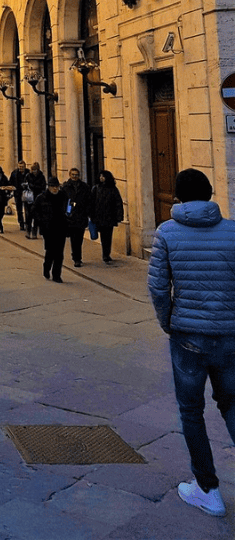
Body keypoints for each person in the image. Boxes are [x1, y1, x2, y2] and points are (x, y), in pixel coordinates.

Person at [147, 168, 235, 518]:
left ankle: (208, 491)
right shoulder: (232, 231)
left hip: (187, 337)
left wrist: (168, 321)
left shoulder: (167, 232)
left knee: (191, 411)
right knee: (232, 403)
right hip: (229, 335)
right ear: (211, 193)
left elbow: (157, 287)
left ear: (178, 197)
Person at [33, 176, 67, 282]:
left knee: (59, 254)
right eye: (53, 186)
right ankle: (46, 267)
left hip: (61, 228)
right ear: (49, 187)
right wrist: (40, 223)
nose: (55, 189)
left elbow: (70, 206)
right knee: (50, 251)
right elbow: (35, 212)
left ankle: (56, 275)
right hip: (48, 229)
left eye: (57, 186)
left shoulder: (63, 196)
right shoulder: (41, 198)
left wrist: (69, 215)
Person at [89, 170, 124, 263]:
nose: (101, 178)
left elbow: (118, 203)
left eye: (103, 176)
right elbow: (91, 202)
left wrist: (119, 216)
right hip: (99, 216)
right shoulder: (96, 188)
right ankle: (105, 254)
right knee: (103, 236)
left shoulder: (113, 189)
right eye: (100, 176)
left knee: (108, 236)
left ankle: (106, 254)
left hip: (109, 217)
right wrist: (91, 215)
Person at [62, 168, 90, 266]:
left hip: (81, 216)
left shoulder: (84, 187)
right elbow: (63, 202)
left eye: (76, 175)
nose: (75, 176)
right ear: (70, 175)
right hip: (70, 217)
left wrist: (88, 212)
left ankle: (77, 256)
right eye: (73, 175)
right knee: (74, 238)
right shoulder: (65, 187)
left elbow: (88, 201)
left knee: (79, 238)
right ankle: (76, 258)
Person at [24, 162, 46, 239]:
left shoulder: (41, 176)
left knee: (36, 216)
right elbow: (25, 184)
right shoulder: (28, 176)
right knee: (28, 215)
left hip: (37, 198)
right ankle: (28, 231)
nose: (34, 171)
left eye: (35, 169)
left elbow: (43, 187)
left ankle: (34, 232)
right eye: (33, 169)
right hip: (29, 198)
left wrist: (34, 187)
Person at [8, 160, 29, 231]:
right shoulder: (14, 173)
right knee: (19, 210)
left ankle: (27, 223)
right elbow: (10, 182)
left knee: (27, 209)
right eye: (20, 166)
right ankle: (21, 224)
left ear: (25, 166)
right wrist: (11, 188)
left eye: (22, 167)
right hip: (18, 193)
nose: (21, 168)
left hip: (26, 193)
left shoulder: (28, 173)